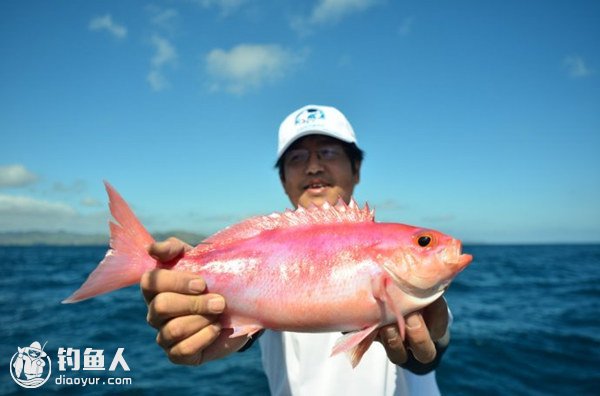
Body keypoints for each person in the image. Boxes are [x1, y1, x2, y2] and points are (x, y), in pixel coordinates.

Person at [141, 105, 451, 395]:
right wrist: (207, 316)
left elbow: (431, 348)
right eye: (297, 158)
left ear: (356, 169)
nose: (314, 166)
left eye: (328, 152)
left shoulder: (394, 249)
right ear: (282, 180)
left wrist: (429, 341)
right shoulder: (267, 250)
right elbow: (258, 312)